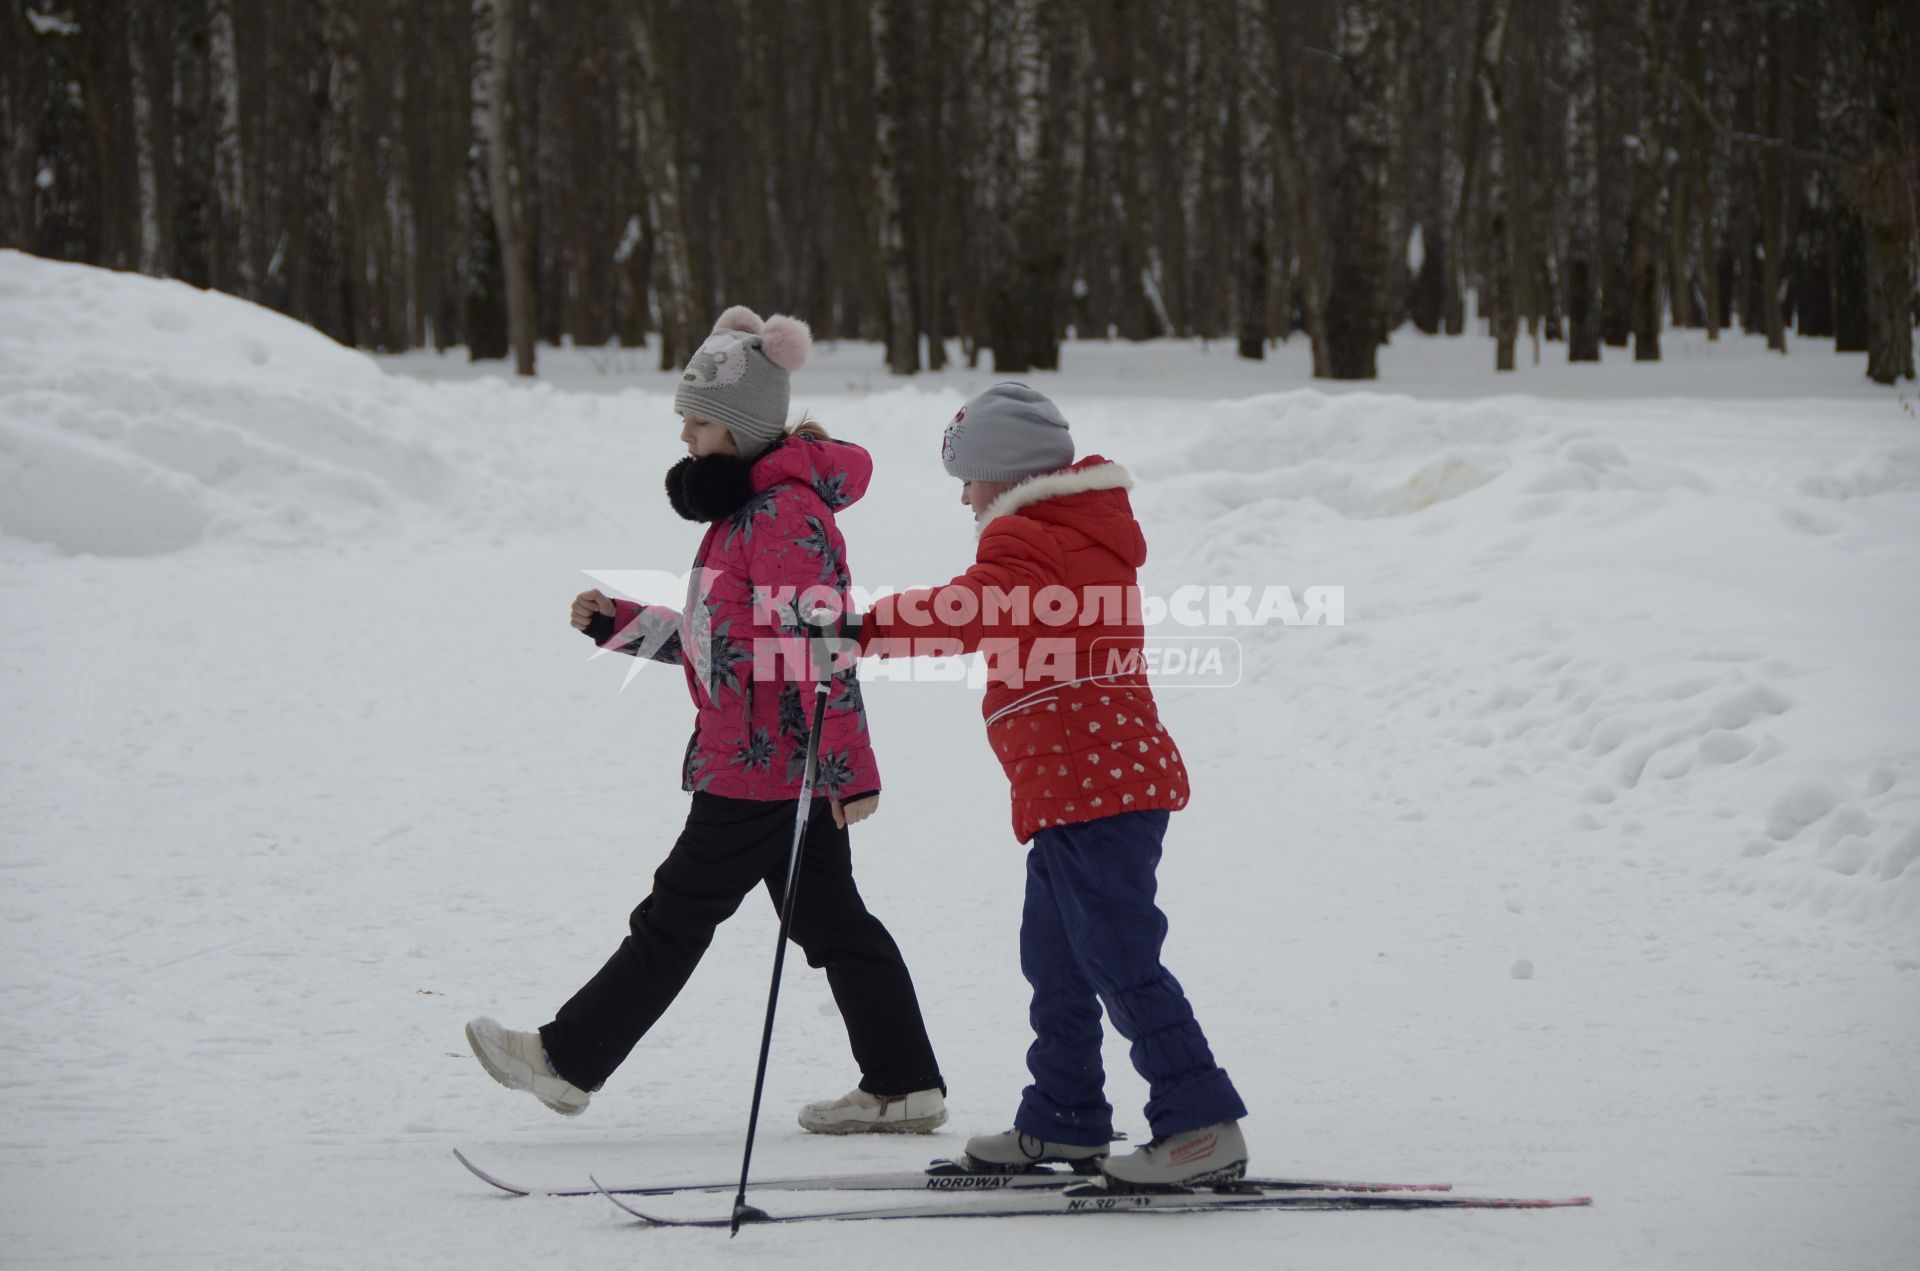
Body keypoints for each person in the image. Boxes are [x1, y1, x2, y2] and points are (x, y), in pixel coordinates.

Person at [466, 306, 945, 1135]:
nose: (683, 433)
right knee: (831, 921)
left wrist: (847, 769)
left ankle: (566, 1059)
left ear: (740, 425)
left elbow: (822, 649)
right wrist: (617, 621)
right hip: (756, 758)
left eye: (695, 418)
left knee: (675, 915)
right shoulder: (743, 517)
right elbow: (716, 641)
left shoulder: (785, 518)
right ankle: (904, 1081)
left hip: (767, 769)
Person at [849, 383, 1248, 1187]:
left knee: (1119, 954)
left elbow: (971, 610)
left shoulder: (1029, 538)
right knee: (1057, 958)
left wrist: (866, 625)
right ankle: (1065, 1116)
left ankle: (1201, 1121)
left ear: (1004, 472)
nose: (963, 496)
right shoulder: (1071, 532)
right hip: (1078, 791)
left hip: (1094, 790)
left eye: (968, 477)